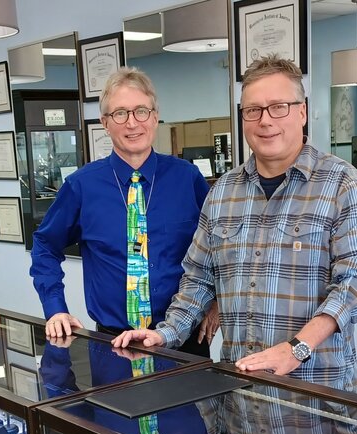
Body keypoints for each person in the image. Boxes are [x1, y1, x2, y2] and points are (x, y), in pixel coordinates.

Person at [113, 55, 357, 391]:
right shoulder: (223, 192)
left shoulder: (342, 183)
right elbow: (199, 278)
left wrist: (297, 348)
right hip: (240, 390)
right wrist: (165, 333)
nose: (265, 121)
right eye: (252, 110)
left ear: (301, 111)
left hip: (315, 391)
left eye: (278, 107)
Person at [29, 67, 217, 356]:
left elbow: (218, 248)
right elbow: (44, 245)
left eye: (141, 111)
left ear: (154, 117)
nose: (132, 123)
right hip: (112, 344)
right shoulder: (81, 186)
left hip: (183, 341)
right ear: (105, 123)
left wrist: (216, 302)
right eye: (120, 114)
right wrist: (55, 309)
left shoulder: (187, 179)